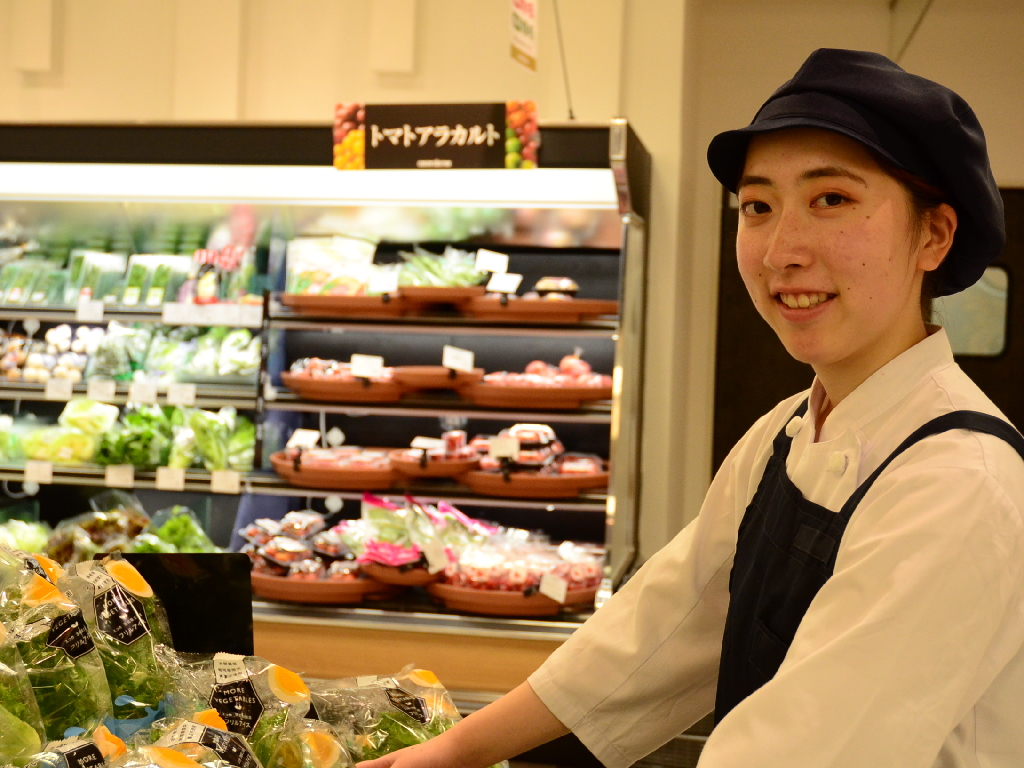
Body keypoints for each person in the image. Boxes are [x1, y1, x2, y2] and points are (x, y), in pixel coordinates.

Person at [358, 49, 1024, 768]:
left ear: (934, 235)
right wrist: (458, 749)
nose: (782, 250)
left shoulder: (960, 483)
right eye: (758, 208)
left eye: (831, 199)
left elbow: (796, 751)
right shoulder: (786, 432)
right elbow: (661, 630)